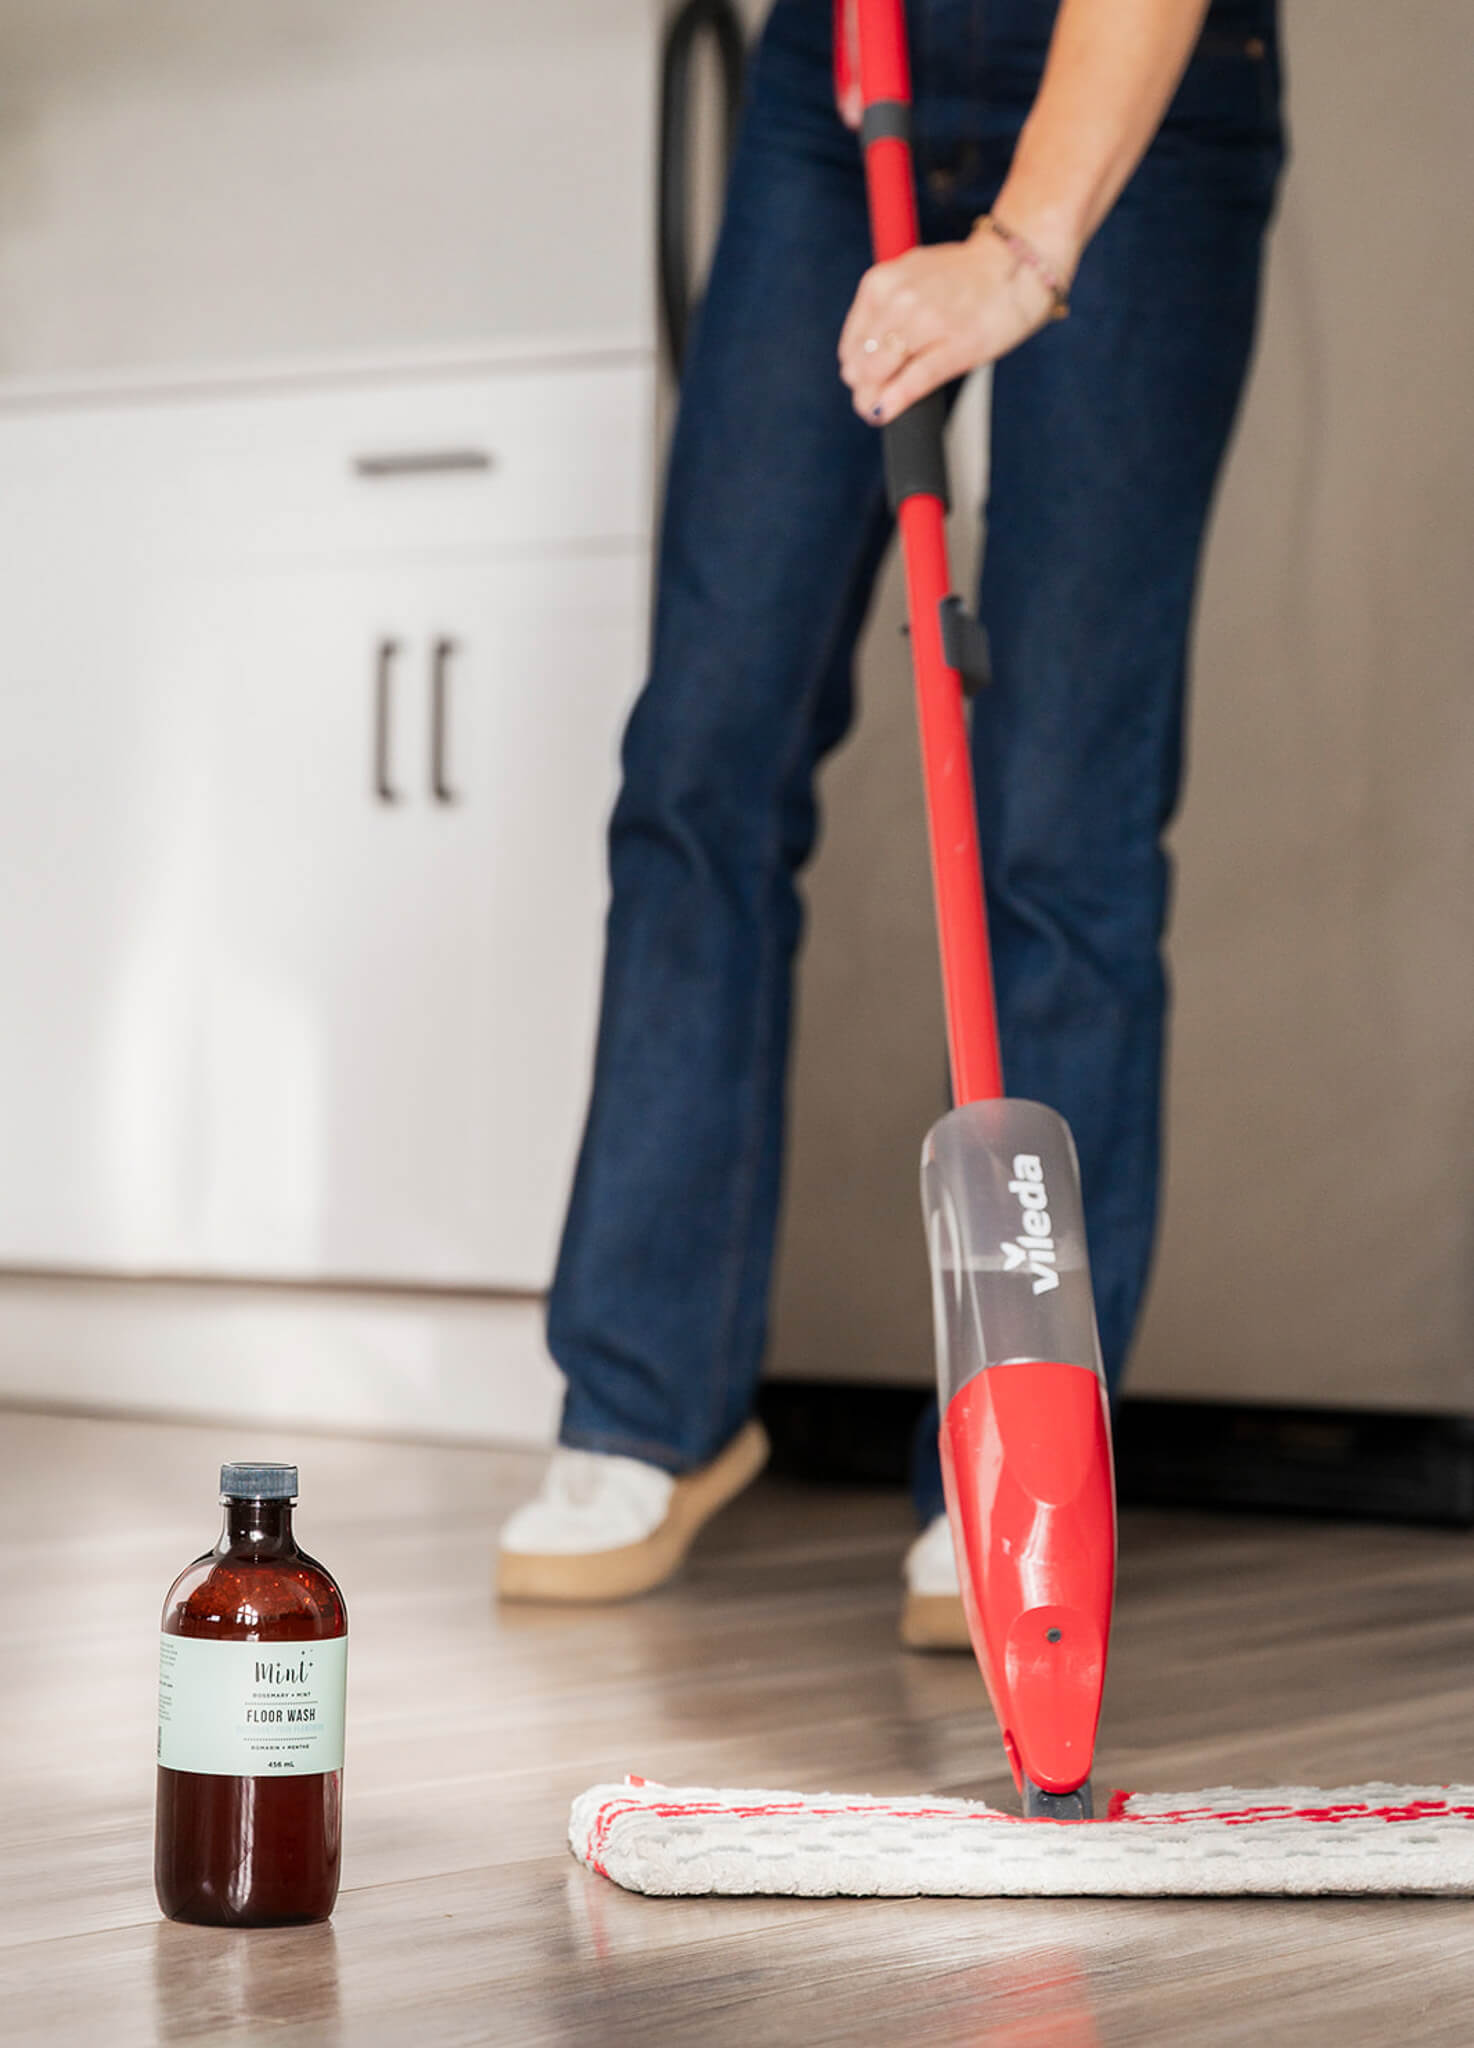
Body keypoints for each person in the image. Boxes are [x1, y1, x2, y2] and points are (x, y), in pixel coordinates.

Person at [497, 0, 1285, 1641]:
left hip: (1139, 89)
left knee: (1061, 817)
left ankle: (1015, 1462)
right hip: (847, 68)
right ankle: (647, 1407)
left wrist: (1017, 249)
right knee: (703, 761)